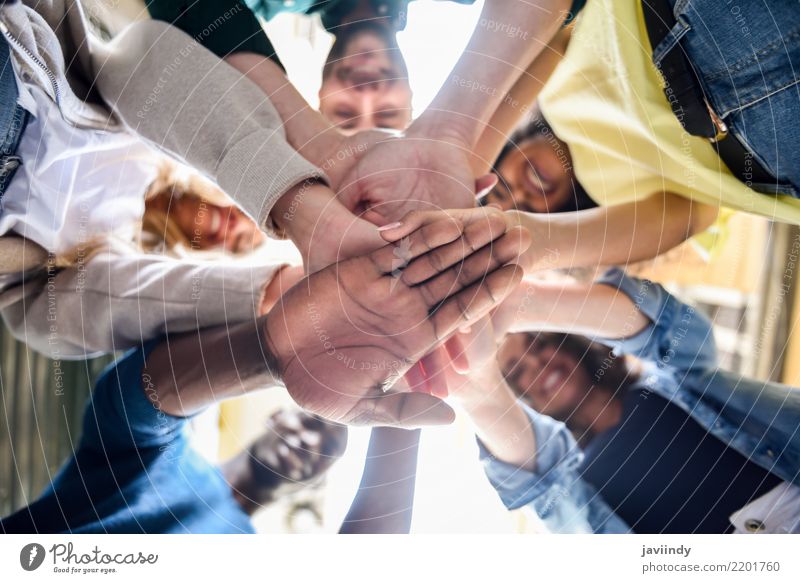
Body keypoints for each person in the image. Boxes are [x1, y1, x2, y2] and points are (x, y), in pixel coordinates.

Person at [446, 268, 800, 533]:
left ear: (568, 340)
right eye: (516, 371)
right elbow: (537, 482)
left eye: (539, 344)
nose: (537, 366)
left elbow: (668, 327)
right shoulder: (572, 486)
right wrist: (471, 376)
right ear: (520, 395)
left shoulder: (672, 380)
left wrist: (520, 306)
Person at [0, 393, 347, 533]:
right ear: (275, 416)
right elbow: (130, 396)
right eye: (310, 421)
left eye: (327, 451)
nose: (311, 442)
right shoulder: (161, 448)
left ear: (316, 482)